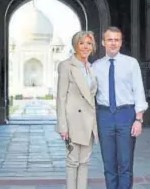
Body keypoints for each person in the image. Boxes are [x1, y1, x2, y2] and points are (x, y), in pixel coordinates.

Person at [92, 26, 148, 189]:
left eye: (117, 40)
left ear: (121, 42)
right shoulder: (96, 66)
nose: (113, 43)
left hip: (126, 115)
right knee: (108, 163)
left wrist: (138, 119)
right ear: (103, 42)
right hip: (104, 116)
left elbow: (139, 91)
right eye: (110, 40)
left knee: (125, 163)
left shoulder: (131, 64)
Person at [56, 30, 98, 189]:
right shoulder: (66, 66)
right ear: (75, 45)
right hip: (73, 121)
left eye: (89, 43)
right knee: (73, 161)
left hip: (89, 121)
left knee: (85, 161)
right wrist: (62, 126)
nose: (85, 47)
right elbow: (61, 98)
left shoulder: (91, 67)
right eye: (81, 43)